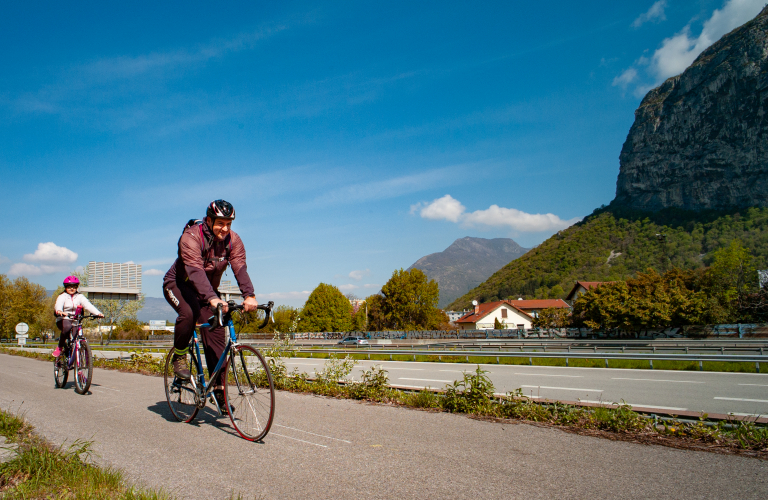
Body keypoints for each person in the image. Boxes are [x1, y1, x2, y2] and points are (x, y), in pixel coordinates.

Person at [163, 199, 258, 413]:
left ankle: (219, 391)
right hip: (179, 285)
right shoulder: (191, 237)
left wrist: (249, 294)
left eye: (229, 224)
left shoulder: (233, 240)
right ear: (209, 219)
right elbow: (195, 271)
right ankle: (179, 356)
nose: (225, 228)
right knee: (188, 313)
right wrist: (213, 298)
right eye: (220, 223)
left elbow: (240, 268)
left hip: (207, 293)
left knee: (217, 341)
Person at [53, 276, 104, 357]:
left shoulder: (80, 297)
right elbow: (58, 304)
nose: (72, 289)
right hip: (63, 319)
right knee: (67, 327)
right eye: (69, 287)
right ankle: (60, 347)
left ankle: (77, 362)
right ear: (65, 287)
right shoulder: (62, 296)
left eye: (74, 287)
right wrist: (59, 311)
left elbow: (88, 305)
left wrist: (97, 313)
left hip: (75, 320)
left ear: (77, 287)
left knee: (76, 338)